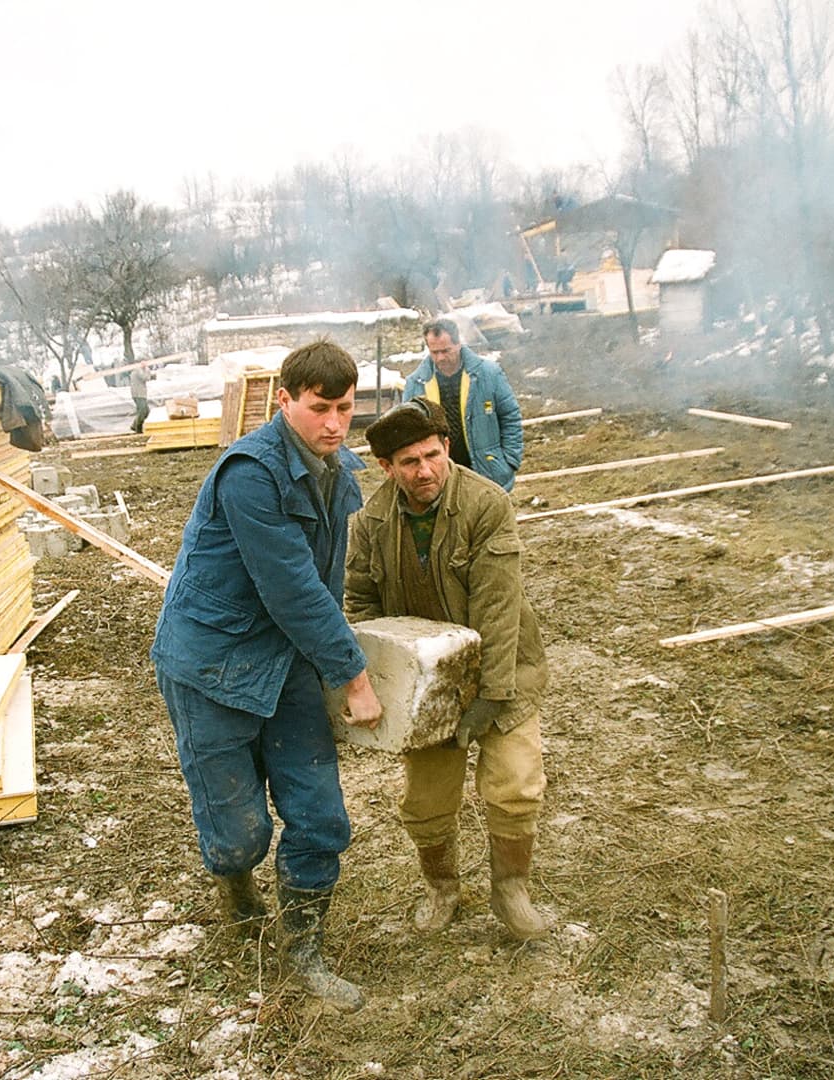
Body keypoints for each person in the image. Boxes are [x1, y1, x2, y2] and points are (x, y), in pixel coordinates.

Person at [151, 340, 383, 1012]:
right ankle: (235, 882)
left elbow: (332, 580)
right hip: (210, 665)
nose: (334, 424)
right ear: (284, 401)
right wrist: (353, 675)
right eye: (319, 409)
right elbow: (290, 587)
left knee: (319, 816)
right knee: (241, 833)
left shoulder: (341, 473)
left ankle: (302, 949)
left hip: (283, 663)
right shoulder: (249, 474)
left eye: (344, 408)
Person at [344, 398, 550, 941]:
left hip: (501, 668)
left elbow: (499, 608)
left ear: (448, 448)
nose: (425, 470)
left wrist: (491, 694)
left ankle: (511, 891)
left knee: (515, 784)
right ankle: (441, 887)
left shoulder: (486, 505)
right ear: (387, 468)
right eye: (409, 462)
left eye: (433, 455)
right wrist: (383, 677)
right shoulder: (369, 522)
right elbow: (361, 604)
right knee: (427, 801)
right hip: (426, 683)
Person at [402, 318, 523, 491]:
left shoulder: (489, 374)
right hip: (441, 477)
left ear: (458, 344)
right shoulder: (415, 384)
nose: (440, 357)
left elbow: (510, 417)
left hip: (487, 474)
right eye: (434, 352)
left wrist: (509, 461)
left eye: (446, 351)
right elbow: (408, 432)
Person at [129, 363, 150, 433]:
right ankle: (138, 427)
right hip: (139, 394)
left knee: (145, 411)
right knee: (143, 411)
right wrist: (147, 370)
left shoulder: (137, 370)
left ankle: (134, 425)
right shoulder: (138, 370)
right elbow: (145, 378)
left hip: (140, 394)